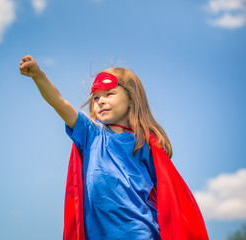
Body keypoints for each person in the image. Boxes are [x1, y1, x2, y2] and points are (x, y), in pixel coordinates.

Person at [19, 55, 208, 240]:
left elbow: (167, 191)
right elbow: (59, 103)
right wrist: (39, 76)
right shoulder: (90, 133)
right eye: (96, 98)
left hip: (139, 231)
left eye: (109, 94)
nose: (101, 101)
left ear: (131, 100)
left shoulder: (144, 142)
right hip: (97, 233)